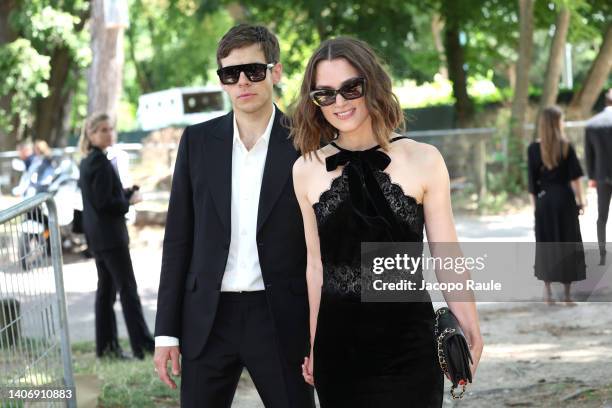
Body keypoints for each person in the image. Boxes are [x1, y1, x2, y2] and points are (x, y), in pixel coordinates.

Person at [291, 37, 483, 407]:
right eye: (325, 94)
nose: (340, 103)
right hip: (338, 348)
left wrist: (469, 323)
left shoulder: (424, 159)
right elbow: (316, 267)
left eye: (350, 88)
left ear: (372, 84)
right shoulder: (305, 170)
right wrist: (315, 344)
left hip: (409, 342)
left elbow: (447, 254)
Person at [153, 24, 315, 407]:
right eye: (231, 73)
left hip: (280, 319)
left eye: (254, 71)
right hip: (207, 320)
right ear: (222, 81)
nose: (243, 81)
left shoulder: (307, 141)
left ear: (275, 72)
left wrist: (322, 333)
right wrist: (166, 334)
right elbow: (177, 240)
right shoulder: (196, 142)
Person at [78, 113, 154, 359]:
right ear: (90, 134)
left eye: (110, 129)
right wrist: (128, 201)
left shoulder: (90, 160)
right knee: (127, 290)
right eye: (101, 130)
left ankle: (107, 348)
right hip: (110, 238)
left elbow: (106, 195)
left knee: (106, 292)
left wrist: (125, 193)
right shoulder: (99, 162)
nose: (108, 133)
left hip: (99, 237)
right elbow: (106, 203)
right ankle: (142, 346)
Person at [528, 106, 586, 306]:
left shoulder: (533, 149)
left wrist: (536, 208)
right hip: (565, 200)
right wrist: (581, 200)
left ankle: (548, 292)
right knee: (567, 243)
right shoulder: (566, 146)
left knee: (546, 244)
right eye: (562, 120)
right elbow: (575, 178)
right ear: (555, 123)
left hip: (544, 202)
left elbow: (531, 185)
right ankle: (568, 295)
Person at [585, 89, 612, 265]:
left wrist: (591, 176)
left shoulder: (592, 124)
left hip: (602, 175)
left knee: (602, 216)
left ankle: (602, 255)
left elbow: (589, 154)